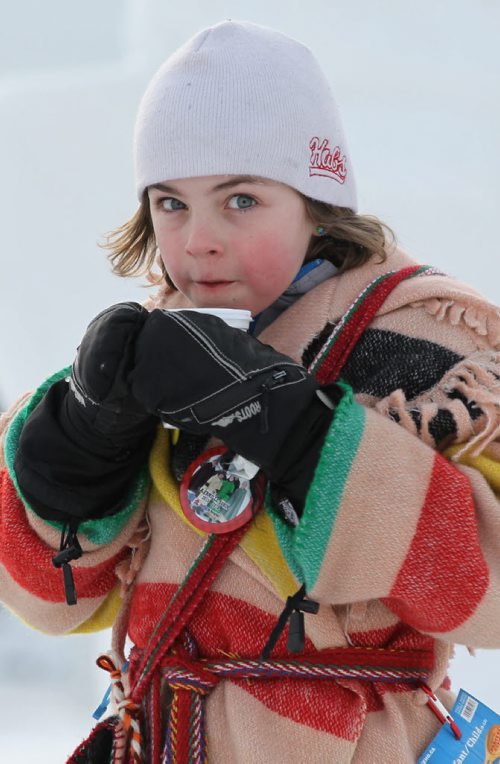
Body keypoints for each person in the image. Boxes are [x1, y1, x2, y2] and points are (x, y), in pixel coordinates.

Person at [1, 19, 499, 763]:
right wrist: (77, 450)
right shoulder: (153, 352)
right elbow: (50, 603)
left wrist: (305, 440)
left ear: (316, 200)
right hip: (163, 734)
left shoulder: (430, 342)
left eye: (239, 201)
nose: (198, 239)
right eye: (171, 203)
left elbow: (490, 596)